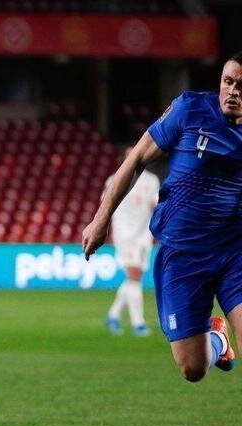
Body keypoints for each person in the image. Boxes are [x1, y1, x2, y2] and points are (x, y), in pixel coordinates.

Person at [83, 50, 242, 382]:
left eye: (241, 86)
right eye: (228, 82)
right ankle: (218, 341)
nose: (232, 91)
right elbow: (139, 156)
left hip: (234, 254)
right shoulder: (191, 109)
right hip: (183, 255)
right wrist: (101, 219)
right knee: (192, 368)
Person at [104, 149, 159, 337]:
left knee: (134, 278)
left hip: (144, 236)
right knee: (134, 276)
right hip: (125, 234)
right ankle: (138, 323)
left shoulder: (151, 181)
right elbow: (106, 206)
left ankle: (113, 315)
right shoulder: (115, 179)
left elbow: (156, 205)